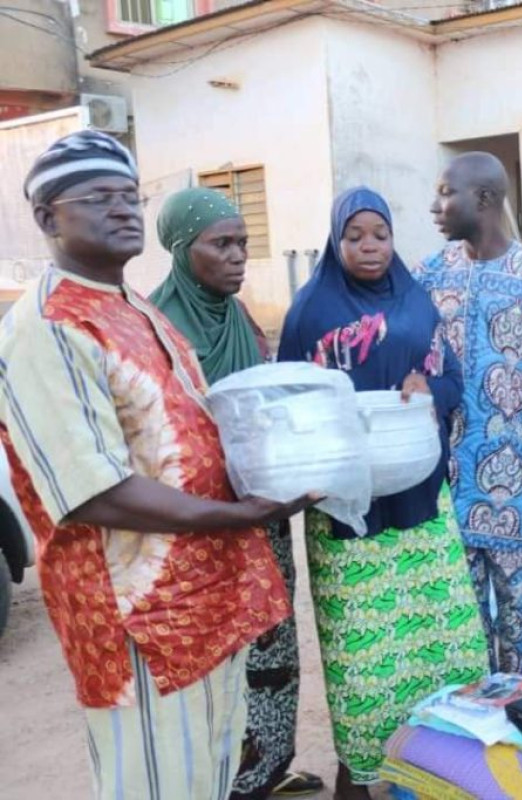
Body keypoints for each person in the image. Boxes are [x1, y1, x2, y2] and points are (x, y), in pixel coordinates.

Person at [1, 131, 316, 800]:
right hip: (135, 620)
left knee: (208, 777)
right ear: (47, 218)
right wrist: (237, 514)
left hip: (203, 601)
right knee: (155, 785)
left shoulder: (132, 306)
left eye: (129, 195)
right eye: (97, 197)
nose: (122, 208)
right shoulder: (47, 326)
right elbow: (93, 492)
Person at [278, 187, 489, 800]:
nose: (369, 246)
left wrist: (429, 389)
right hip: (348, 515)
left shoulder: (415, 299)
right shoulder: (310, 311)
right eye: (355, 236)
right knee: (363, 663)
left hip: (422, 503)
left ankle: (437, 763)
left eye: (380, 234)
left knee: (445, 643)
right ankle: (358, 777)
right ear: (336, 240)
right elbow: (289, 400)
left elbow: (453, 378)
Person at [149, 187, 323, 800]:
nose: (237, 256)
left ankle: (267, 771)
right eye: (220, 244)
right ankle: (223, 782)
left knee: (273, 647)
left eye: (243, 243)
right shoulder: (157, 331)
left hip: (264, 515)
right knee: (217, 659)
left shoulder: (240, 317)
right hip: (202, 524)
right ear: (180, 249)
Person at [415, 152, 522, 676]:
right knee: (463, 627)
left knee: (518, 620)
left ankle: (515, 712)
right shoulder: (429, 274)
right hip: (447, 487)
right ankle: (472, 719)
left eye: (447, 193)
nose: (435, 206)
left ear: (485, 198)